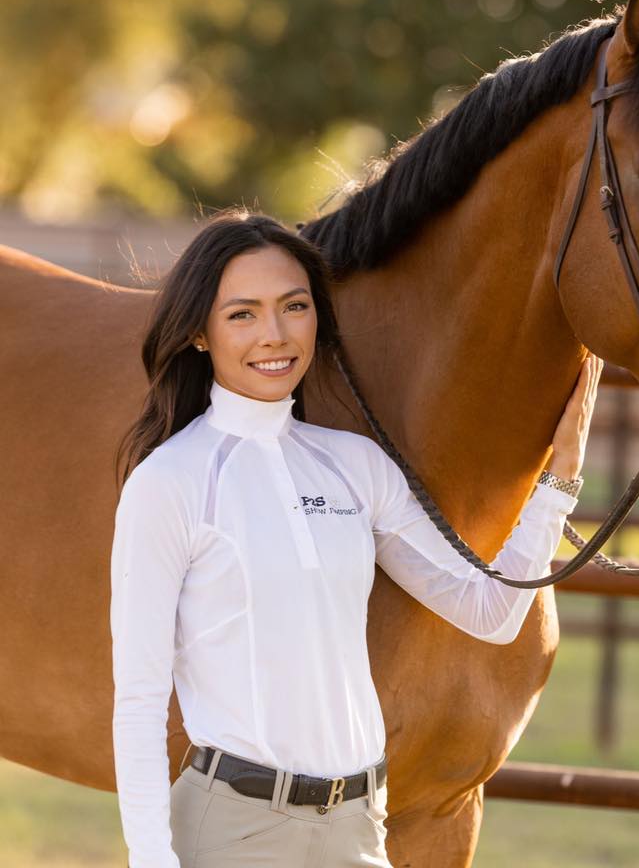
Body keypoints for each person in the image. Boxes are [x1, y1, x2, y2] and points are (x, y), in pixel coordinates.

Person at [110, 209, 602, 868]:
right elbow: (139, 700)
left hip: (356, 827)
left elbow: (489, 611)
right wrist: (150, 856)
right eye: (242, 315)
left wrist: (559, 480)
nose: (275, 335)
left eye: (294, 306)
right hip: (234, 831)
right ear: (199, 332)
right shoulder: (169, 482)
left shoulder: (355, 465)